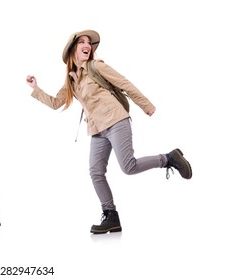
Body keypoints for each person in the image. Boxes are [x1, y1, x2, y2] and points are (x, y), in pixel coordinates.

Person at [26, 30, 192, 234]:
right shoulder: (71, 81)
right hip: (97, 130)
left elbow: (124, 84)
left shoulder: (97, 66)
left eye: (89, 43)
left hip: (116, 120)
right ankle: (111, 216)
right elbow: (55, 103)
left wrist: (145, 105)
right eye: (82, 43)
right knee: (96, 173)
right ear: (72, 50)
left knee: (128, 167)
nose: (87, 45)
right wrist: (36, 88)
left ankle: (168, 158)